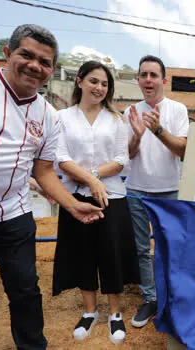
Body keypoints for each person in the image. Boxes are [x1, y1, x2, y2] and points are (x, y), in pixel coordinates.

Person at [0, 24, 104, 350]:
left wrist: (72, 205)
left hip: (12, 215)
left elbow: (44, 172)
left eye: (45, 62)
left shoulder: (48, 115)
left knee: (26, 291)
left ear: (51, 70)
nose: (35, 66)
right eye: (26, 55)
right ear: (7, 53)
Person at [52, 60, 140, 344]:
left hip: (111, 197)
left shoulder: (116, 119)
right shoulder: (62, 117)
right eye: (93, 81)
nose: (99, 88)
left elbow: (121, 160)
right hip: (74, 197)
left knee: (111, 254)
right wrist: (91, 182)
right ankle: (90, 312)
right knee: (82, 253)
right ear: (79, 81)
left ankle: (115, 313)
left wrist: (92, 176)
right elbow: (61, 158)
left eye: (104, 84)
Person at [124, 55, 189, 328]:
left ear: (163, 79)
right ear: (138, 80)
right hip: (136, 190)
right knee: (141, 249)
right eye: (143, 75)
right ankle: (150, 298)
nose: (148, 80)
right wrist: (138, 135)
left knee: (170, 248)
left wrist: (158, 130)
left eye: (153, 75)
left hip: (170, 190)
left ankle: (171, 299)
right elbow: (125, 155)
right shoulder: (130, 112)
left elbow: (184, 150)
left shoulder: (178, 109)